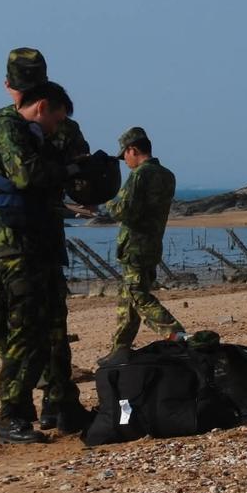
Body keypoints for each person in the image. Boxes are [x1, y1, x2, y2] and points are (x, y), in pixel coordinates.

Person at [0, 48, 90, 432]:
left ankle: (60, 404)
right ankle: (14, 412)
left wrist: (78, 177)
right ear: (8, 86)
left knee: (53, 328)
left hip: (45, 239)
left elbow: (81, 175)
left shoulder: (63, 124)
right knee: (21, 331)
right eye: (20, 85)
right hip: (11, 244)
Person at [99, 126, 184, 358]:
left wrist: (104, 202)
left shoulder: (140, 175)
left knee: (138, 296)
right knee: (128, 301)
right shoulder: (167, 175)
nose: (124, 161)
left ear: (132, 150)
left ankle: (177, 335)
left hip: (135, 246)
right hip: (152, 244)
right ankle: (119, 351)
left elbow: (125, 211)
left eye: (124, 155)